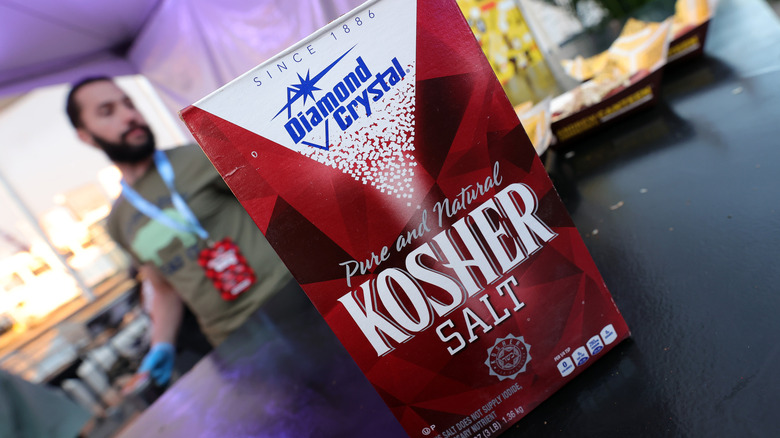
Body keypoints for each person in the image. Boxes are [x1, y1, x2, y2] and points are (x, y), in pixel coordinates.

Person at [66, 76, 292, 386]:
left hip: (294, 301)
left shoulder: (201, 156)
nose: (129, 115)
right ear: (85, 135)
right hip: (236, 344)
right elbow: (164, 288)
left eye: (129, 104)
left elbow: (284, 206)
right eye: (108, 111)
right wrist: (161, 344)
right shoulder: (118, 222)